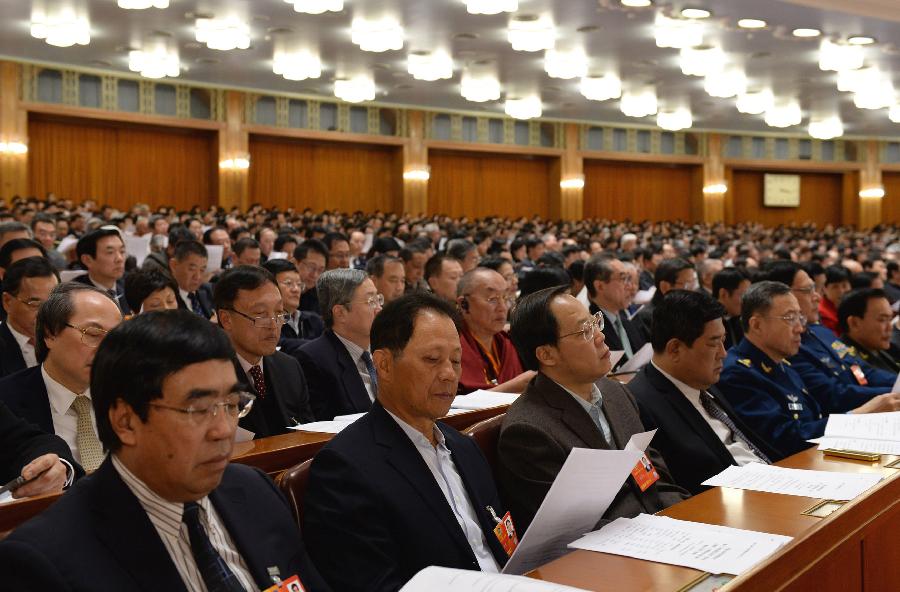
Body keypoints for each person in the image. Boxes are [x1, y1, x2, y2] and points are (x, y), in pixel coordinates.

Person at [0, 310, 330, 591]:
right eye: (198, 409)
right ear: (125, 421)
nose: (223, 430)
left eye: (232, 404)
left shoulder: (252, 489)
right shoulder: (44, 560)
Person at [302, 293, 510, 590]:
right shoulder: (346, 467)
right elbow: (372, 583)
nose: (449, 374)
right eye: (432, 359)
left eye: (456, 360)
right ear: (384, 365)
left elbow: (504, 540)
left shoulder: (464, 447)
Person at [499, 286, 687, 534]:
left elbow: (654, 476)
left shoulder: (615, 392)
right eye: (584, 331)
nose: (600, 336)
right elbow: (569, 529)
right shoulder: (527, 432)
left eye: (595, 322)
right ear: (547, 354)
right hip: (611, 552)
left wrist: (687, 517)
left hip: (664, 530)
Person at [718, 282, 900, 461]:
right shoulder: (738, 373)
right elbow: (787, 439)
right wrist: (859, 416)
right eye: (790, 318)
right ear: (757, 325)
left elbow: (812, 419)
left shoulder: (782, 362)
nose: (800, 328)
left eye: (800, 318)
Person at [630, 291, 779, 495]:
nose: (723, 353)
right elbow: (664, 489)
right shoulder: (639, 404)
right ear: (675, 349)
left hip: (770, 480)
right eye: (713, 343)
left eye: (723, 341)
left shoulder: (700, 378)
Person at [0, 283, 122, 472]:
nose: (107, 350)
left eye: (115, 338)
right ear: (50, 334)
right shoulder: (7, 399)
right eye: (92, 334)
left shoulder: (133, 395)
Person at [766, 261, 896, 414]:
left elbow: (859, 368)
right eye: (808, 290)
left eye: (816, 289)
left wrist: (895, 385)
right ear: (783, 296)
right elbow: (833, 395)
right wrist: (890, 394)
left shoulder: (821, 331)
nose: (817, 297)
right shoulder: (788, 346)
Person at [214, 266, 315, 437]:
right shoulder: (209, 375)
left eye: (278, 313)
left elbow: (308, 434)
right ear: (226, 319)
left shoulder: (289, 367)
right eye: (261, 314)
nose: (273, 324)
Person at [296, 269, 383, 420]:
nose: (379, 309)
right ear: (340, 313)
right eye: (370, 302)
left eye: (378, 299)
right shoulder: (313, 359)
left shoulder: (387, 348)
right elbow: (324, 430)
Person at [456, 269, 532, 394]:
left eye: (506, 297)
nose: (502, 307)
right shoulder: (451, 346)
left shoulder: (510, 341)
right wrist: (513, 387)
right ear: (463, 304)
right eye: (492, 299)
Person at [583, 254, 646, 368]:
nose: (630, 286)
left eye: (629, 279)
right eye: (623, 279)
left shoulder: (627, 320)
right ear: (600, 286)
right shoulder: (589, 329)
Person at [0, 257, 59, 377]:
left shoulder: (68, 339)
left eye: (53, 303)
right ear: (7, 301)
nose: (46, 313)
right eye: (35, 304)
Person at [263, 259, 324, 355]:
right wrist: (318, 346)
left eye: (299, 284)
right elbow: (279, 344)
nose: (296, 289)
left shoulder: (314, 320)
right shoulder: (265, 321)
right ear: (268, 286)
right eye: (288, 283)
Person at [632, 257, 696, 341]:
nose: (692, 290)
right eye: (687, 285)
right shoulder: (648, 318)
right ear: (665, 287)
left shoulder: (687, 308)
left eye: (693, 283)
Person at [838, 288, 900, 373]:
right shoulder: (845, 361)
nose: (890, 327)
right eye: (882, 320)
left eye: (890, 319)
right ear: (854, 323)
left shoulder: (886, 348)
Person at [73, 227, 131, 316]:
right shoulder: (75, 297)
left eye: (122, 251)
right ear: (87, 260)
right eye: (110, 252)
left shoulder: (130, 285)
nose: (119, 259)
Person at [168, 240, 214, 319]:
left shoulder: (208, 290)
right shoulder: (166, 298)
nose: (198, 277)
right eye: (192, 269)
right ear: (174, 265)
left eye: (202, 270)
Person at [713, 267, 750, 350]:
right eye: (743, 295)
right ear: (723, 294)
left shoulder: (741, 319)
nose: (746, 301)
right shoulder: (708, 323)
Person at [294, 239, 328, 315]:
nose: (315, 275)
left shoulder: (321, 297)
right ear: (295, 263)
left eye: (320, 270)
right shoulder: (280, 292)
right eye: (311, 267)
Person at [818, 265, 851, 336]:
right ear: (824, 289)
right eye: (835, 287)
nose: (841, 291)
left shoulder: (852, 305)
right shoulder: (822, 315)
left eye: (844, 285)